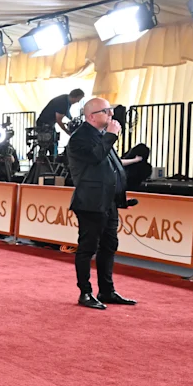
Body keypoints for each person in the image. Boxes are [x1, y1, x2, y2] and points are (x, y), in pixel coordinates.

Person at [67, 97, 142, 310]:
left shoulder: (101, 136)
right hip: (90, 202)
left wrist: (120, 198)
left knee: (110, 245)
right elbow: (95, 158)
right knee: (87, 248)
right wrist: (111, 134)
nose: (111, 115)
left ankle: (106, 290)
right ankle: (85, 292)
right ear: (91, 116)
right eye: (106, 111)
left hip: (107, 202)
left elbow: (113, 168)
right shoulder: (80, 138)